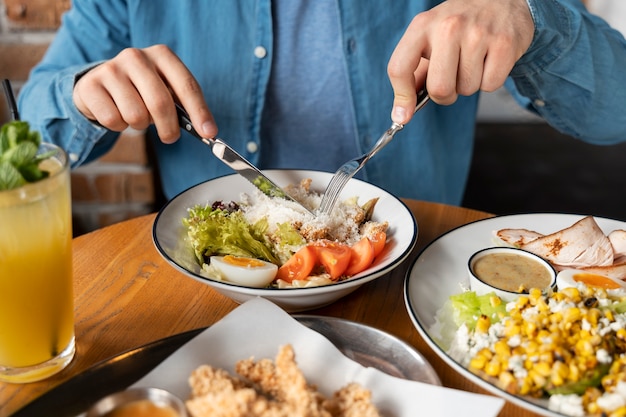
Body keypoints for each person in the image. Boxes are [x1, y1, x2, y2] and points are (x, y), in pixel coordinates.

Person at [17, 0, 626, 205]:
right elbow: (30, 129)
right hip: (212, 292)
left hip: (413, 282)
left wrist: (530, 19)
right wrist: (84, 92)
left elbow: (615, 113)